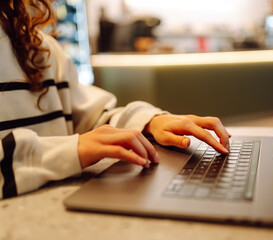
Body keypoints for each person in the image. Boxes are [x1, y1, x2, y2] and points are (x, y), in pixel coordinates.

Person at [0, 0, 230, 199]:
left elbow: (93, 118)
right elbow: (80, 144)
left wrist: (149, 122)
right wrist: (69, 151)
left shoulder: (39, 47)